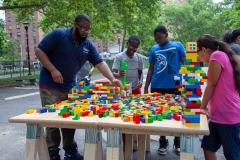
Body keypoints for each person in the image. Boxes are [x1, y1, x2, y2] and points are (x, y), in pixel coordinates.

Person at [35, 13, 122, 160]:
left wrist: (113, 79)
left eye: (88, 30)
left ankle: (70, 150)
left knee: (70, 119)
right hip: (50, 85)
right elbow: (39, 50)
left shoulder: (87, 44)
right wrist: (53, 69)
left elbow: (100, 63)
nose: (85, 32)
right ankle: (53, 153)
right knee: (52, 121)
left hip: (69, 87)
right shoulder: (59, 34)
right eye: (83, 28)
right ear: (75, 24)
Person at [144, 25, 186, 156]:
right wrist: (146, 87)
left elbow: (187, 64)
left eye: (160, 38)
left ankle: (177, 142)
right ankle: (163, 142)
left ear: (166, 35)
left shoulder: (177, 46)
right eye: (156, 39)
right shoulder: (154, 49)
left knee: (176, 114)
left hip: (175, 86)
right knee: (160, 114)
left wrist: (191, 83)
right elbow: (151, 69)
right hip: (157, 86)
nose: (157, 41)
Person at [197, 34, 240, 160]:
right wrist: (208, 108)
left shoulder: (217, 55)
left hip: (228, 116)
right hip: (218, 116)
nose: (198, 57)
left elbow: (212, 84)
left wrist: (202, 107)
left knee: (232, 155)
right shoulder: (220, 55)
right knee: (208, 147)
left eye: (198, 53)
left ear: (204, 50)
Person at [112, 35, 144, 149]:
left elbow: (140, 73)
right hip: (124, 90)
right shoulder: (119, 57)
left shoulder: (139, 58)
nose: (133, 49)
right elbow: (113, 73)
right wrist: (118, 74)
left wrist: (141, 81)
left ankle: (138, 140)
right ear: (127, 44)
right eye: (131, 45)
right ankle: (125, 141)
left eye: (136, 47)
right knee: (125, 114)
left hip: (136, 88)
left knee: (138, 113)